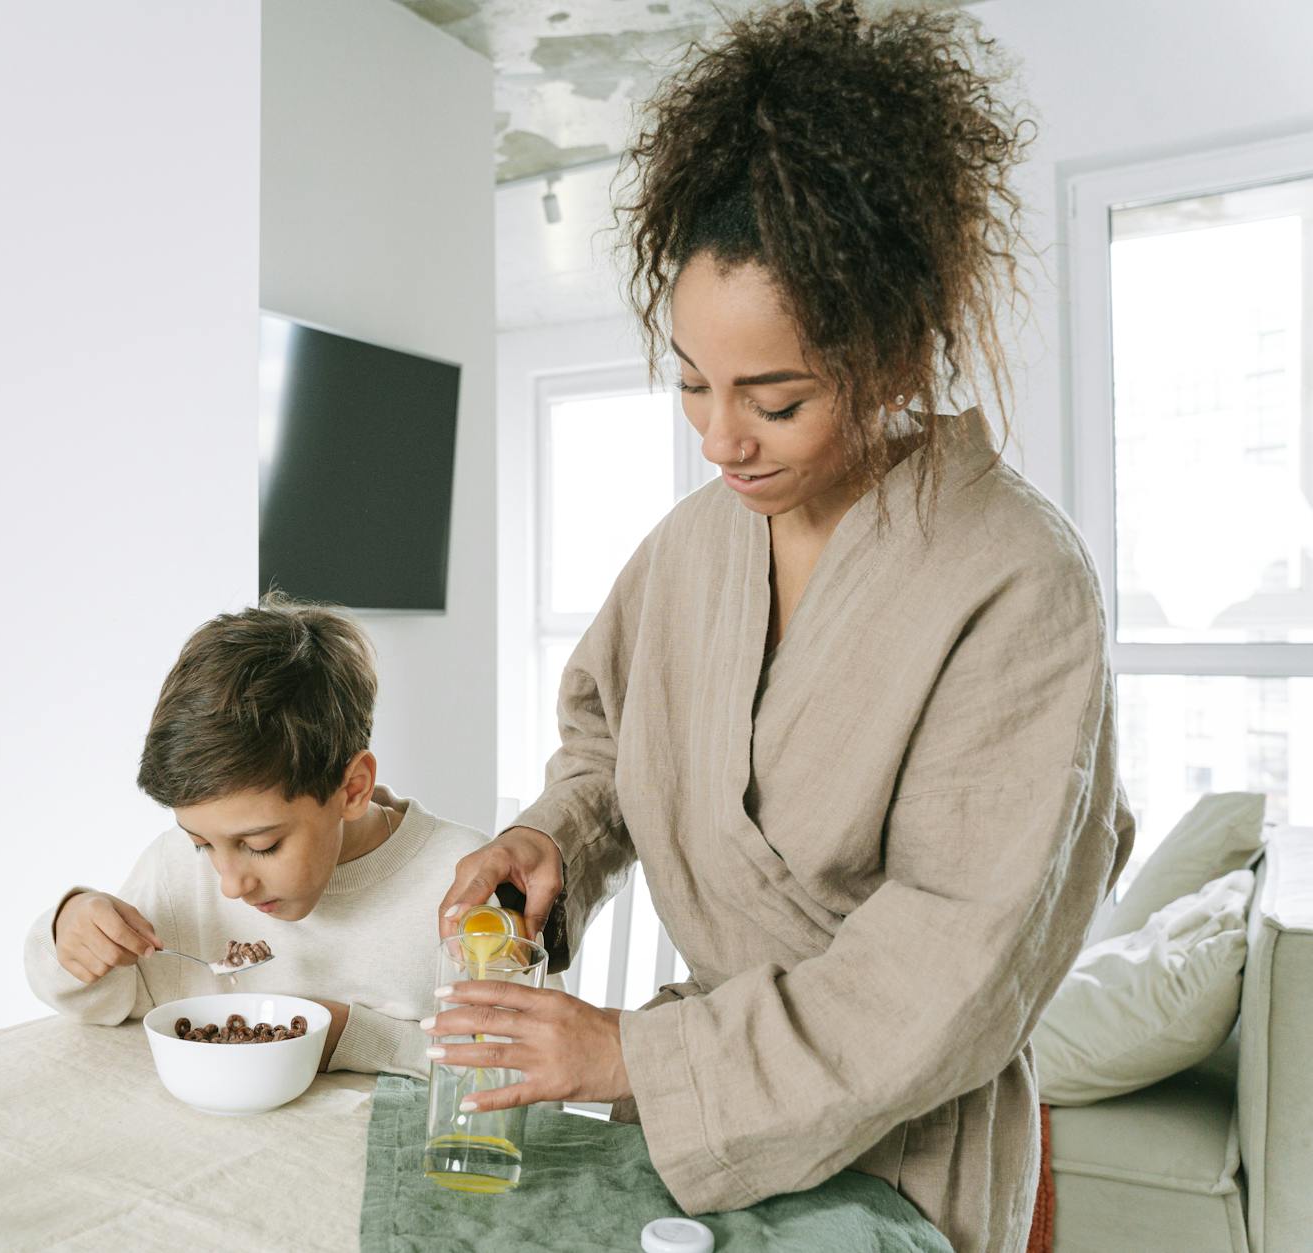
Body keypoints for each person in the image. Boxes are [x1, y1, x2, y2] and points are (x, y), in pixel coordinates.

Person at [428, 3, 1134, 1249]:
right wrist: (553, 837)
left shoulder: (1016, 584)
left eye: (775, 399)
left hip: (900, 1149)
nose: (719, 439)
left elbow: (946, 965)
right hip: (694, 1135)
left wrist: (634, 1055)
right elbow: (608, 742)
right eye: (692, 383)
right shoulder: (690, 547)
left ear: (893, 355)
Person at [23, 593, 493, 1078]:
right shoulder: (175, 871)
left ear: (352, 789)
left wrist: (350, 1037)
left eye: (260, 846)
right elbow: (105, 1001)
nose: (230, 885)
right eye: (202, 844)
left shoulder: (466, 883)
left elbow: (513, 1065)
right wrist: (69, 929)